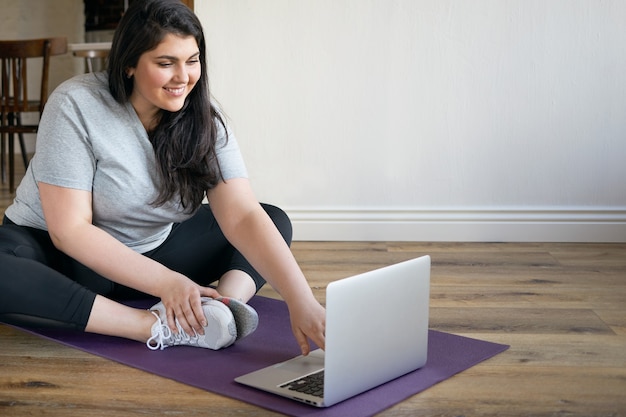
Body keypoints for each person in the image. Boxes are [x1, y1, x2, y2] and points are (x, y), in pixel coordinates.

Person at [0, 0, 325, 355]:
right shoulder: (76, 104)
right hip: (62, 256)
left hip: (151, 251)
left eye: (192, 60)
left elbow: (243, 215)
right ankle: (155, 326)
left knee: (271, 220)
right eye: (165, 63)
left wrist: (302, 301)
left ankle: (217, 311)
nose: (183, 77)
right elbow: (71, 231)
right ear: (128, 65)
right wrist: (168, 282)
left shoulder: (206, 122)